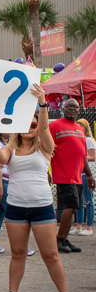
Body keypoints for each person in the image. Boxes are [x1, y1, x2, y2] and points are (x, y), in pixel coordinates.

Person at [0, 84, 71, 292]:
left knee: (50, 254)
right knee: (17, 253)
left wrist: (43, 104)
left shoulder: (45, 147)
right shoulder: (11, 148)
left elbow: (44, 128)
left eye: (32, 124)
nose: (29, 127)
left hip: (42, 208)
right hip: (16, 208)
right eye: (25, 124)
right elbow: (1, 159)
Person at [51, 98, 95, 253]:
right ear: (63, 109)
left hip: (77, 175)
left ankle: (64, 239)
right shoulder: (54, 126)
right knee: (70, 206)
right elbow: (46, 148)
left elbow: (83, 155)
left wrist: (89, 176)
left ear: (79, 110)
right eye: (68, 106)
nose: (71, 109)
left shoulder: (80, 129)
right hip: (64, 174)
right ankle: (58, 239)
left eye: (75, 107)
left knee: (74, 208)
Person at [71, 119, 95, 236]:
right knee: (78, 201)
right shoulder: (77, 139)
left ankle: (89, 227)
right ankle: (79, 226)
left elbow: (93, 156)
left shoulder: (89, 140)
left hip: (84, 174)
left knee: (87, 200)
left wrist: (81, 157)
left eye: (81, 126)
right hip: (76, 173)